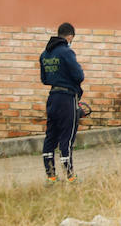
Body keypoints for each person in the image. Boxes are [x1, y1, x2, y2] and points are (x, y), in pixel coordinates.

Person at [39, 22, 85, 182]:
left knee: (50, 136)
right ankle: (70, 177)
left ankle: (50, 176)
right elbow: (79, 76)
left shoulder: (45, 54)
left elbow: (44, 79)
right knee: (67, 136)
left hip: (52, 98)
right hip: (67, 98)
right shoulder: (67, 52)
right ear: (70, 36)